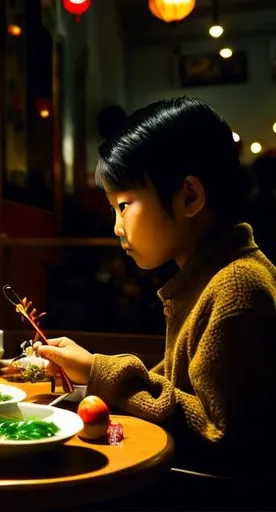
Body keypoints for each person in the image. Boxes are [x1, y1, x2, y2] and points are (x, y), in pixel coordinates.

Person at [36, 97, 276, 482]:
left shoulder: (237, 287)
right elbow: (173, 385)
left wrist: (99, 370)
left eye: (124, 204)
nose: (117, 227)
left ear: (189, 197)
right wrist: (91, 374)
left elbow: (222, 435)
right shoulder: (205, 276)